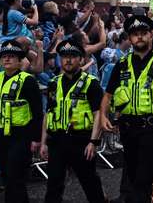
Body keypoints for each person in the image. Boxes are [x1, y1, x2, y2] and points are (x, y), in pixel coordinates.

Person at [100, 15, 153, 203]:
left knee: (143, 181)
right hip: (128, 130)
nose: (139, 38)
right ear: (129, 38)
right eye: (135, 34)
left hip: (152, 130)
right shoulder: (121, 64)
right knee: (133, 177)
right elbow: (108, 95)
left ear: (151, 36)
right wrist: (104, 115)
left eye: (144, 34)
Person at [41, 40, 106, 203]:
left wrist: (93, 142)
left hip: (81, 141)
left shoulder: (91, 83)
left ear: (81, 59)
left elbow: (98, 113)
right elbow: (49, 113)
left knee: (90, 183)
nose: (68, 60)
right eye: (64, 57)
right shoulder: (53, 83)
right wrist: (43, 142)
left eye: (72, 56)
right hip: (57, 140)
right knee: (53, 185)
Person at [0, 40, 43, 203]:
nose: (7, 59)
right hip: (0, 136)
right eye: (4, 57)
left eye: (12, 56)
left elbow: (37, 112)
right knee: (7, 176)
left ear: (19, 60)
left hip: (21, 136)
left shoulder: (27, 80)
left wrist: (36, 139)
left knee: (16, 177)